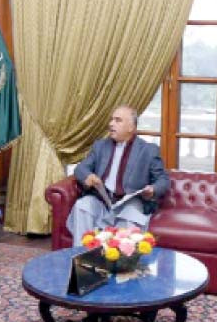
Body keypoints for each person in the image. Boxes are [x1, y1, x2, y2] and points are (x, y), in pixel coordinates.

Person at [66, 105, 169, 245]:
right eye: (111, 120)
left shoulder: (148, 150)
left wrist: (153, 189)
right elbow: (81, 168)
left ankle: (120, 263)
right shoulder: (100, 146)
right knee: (82, 205)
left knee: (129, 218)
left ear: (131, 127)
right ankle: (81, 256)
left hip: (129, 203)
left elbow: (163, 180)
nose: (111, 124)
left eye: (117, 120)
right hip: (102, 200)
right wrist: (88, 176)